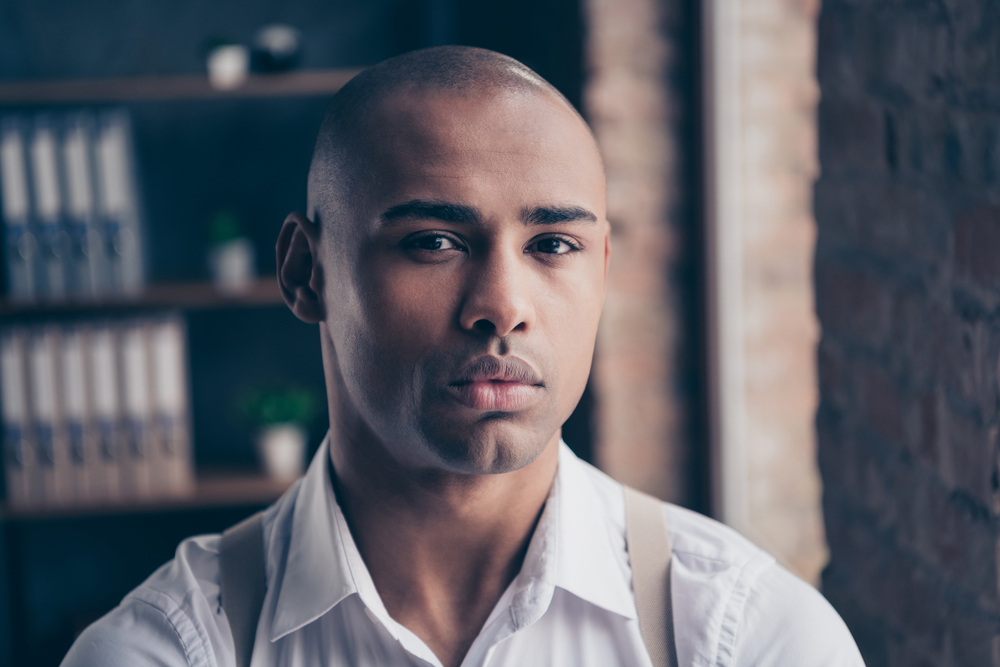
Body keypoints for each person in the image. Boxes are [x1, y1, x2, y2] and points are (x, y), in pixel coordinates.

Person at [62, 46, 864, 667]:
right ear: (308, 272)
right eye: (434, 242)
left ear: (604, 271)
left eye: (553, 244)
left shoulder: (748, 637)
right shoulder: (165, 650)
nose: (504, 305)